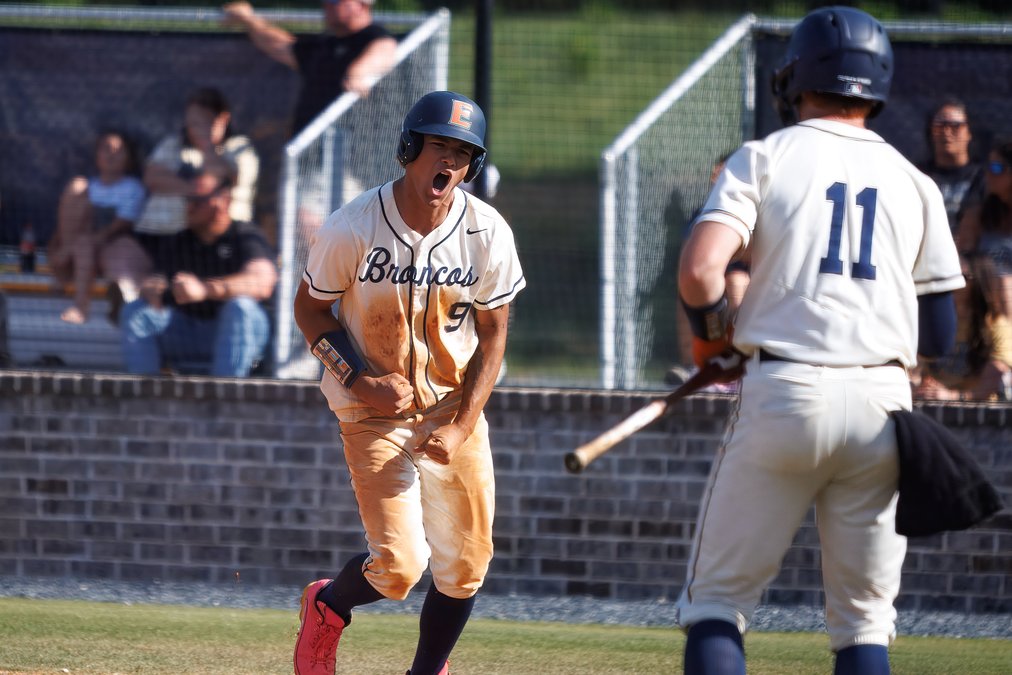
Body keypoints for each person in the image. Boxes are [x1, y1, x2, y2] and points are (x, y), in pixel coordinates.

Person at [675, 7, 964, 675]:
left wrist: (713, 340)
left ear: (797, 78)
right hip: (883, 406)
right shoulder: (916, 181)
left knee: (718, 602)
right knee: (863, 625)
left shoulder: (765, 156)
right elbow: (940, 335)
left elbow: (700, 270)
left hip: (784, 391)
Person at [291, 91, 525, 675]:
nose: (449, 161)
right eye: (438, 145)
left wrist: (463, 423)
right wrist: (362, 382)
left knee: (466, 565)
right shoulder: (353, 226)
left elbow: (494, 334)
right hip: (371, 413)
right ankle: (328, 604)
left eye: (463, 153)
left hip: (451, 408)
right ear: (408, 149)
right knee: (398, 568)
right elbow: (310, 312)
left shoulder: (486, 232)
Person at [120, 165, 276, 377]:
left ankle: (226, 392)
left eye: (197, 200)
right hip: (189, 334)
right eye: (187, 200)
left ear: (223, 201)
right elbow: (156, 280)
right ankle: (145, 392)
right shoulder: (179, 240)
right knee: (135, 311)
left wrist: (204, 290)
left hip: (240, 336)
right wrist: (152, 289)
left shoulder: (246, 235)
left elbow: (262, 283)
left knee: (240, 308)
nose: (189, 207)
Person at [222, 0, 397, 136]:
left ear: (361, 4)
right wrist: (249, 19)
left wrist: (359, 72)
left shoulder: (375, 37)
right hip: (306, 155)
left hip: (348, 153)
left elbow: (385, 50)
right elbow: (279, 45)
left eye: (336, 0)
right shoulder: (324, 44)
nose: (327, 5)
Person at [133, 87, 259, 268]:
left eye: (202, 122)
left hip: (215, 242)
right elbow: (152, 177)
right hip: (156, 234)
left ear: (223, 120)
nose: (195, 129)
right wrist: (192, 188)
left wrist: (207, 145)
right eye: (192, 123)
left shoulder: (239, 148)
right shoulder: (174, 145)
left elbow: (217, 181)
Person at [46, 129, 149, 324]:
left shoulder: (133, 187)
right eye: (106, 148)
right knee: (77, 188)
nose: (111, 154)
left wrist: (96, 239)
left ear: (128, 158)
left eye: (118, 150)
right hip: (80, 249)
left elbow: (124, 223)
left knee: (87, 244)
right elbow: (69, 224)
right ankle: (80, 307)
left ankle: (126, 307)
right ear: (96, 155)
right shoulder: (87, 187)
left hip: (114, 246)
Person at [919, 97, 983, 235]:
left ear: (969, 132)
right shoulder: (919, 175)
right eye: (939, 126)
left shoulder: (983, 177)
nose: (946, 132)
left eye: (956, 126)